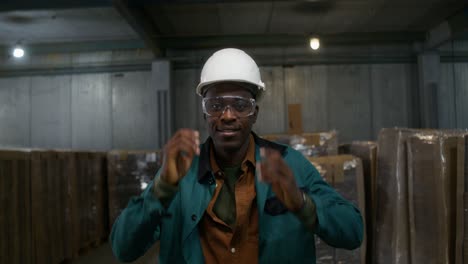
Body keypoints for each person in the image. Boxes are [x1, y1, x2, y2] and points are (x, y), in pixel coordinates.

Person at [110, 48, 363, 263]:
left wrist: (301, 203)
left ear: (255, 113)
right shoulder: (180, 176)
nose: (228, 115)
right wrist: (161, 190)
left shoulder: (289, 164)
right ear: (205, 113)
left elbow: (352, 231)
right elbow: (123, 248)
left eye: (241, 105)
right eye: (216, 105)